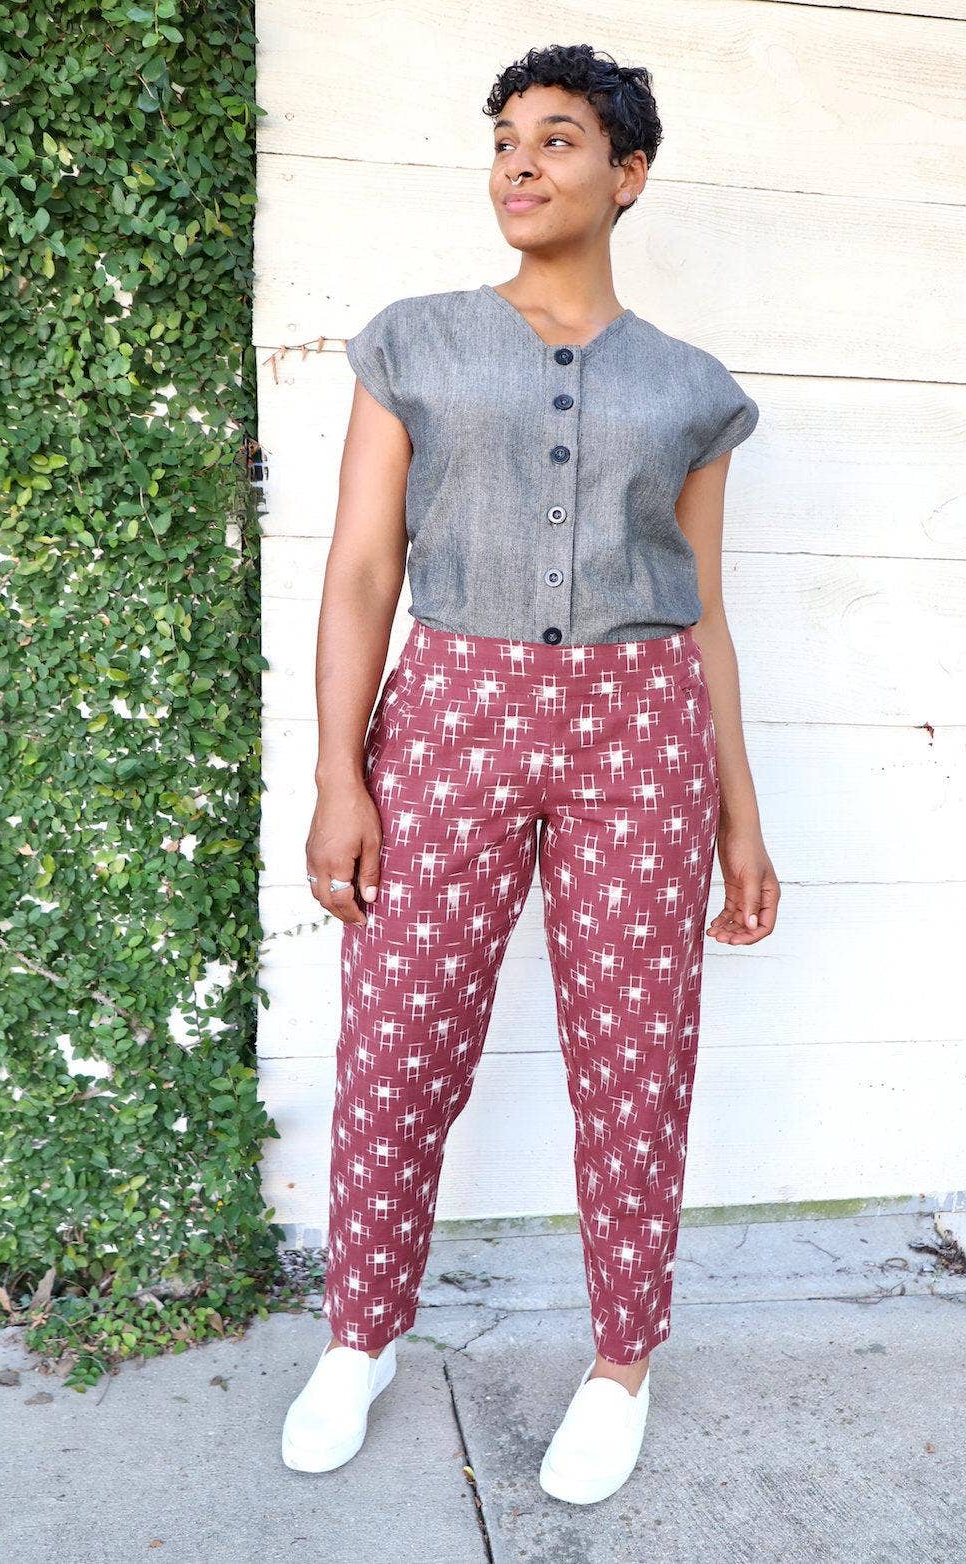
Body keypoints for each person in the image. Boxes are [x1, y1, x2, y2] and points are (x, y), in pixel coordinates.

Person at [282, 42, 780, 1505]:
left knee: (635, 1055)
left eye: (558, 139)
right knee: (399, 1038)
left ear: (629, 176)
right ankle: (360, 1335)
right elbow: (362, 571)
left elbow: (704, 613)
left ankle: (623, 1360)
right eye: (506, 137)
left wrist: (742, 819)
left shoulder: (690, 391)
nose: (520, 160)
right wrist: (338, 775)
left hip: (643, 730)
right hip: (451, 716)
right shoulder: (413, 345)